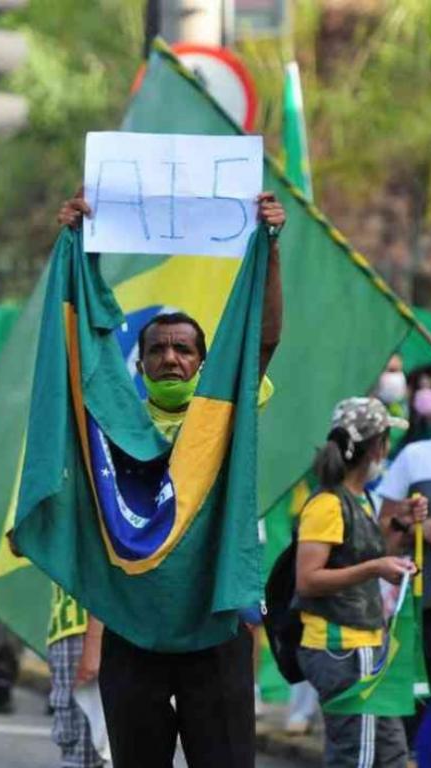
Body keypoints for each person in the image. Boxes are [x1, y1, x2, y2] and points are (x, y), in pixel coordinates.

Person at [58, 187, 286, 767]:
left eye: (183, 348)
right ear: (141, 361)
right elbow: (78, 341)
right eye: (157, 348)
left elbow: (262, 340)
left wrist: (271, 246)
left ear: (203, 361)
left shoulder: (224, 414)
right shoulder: (117, 424)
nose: (169, 357)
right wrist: (78, 244)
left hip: (216, 623)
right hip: (136, 629)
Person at [295, 397, 425, 767]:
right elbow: (307, 580)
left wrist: (402, 525)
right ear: (377, 447)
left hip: (368, 646)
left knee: (390, 756)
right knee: (358, 758)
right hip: (343, 649)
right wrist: (374, 569)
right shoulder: (327, 504)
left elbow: (366, 551)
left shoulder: (359, 497)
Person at [378, 382, 431, 768]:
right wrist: (419, 531)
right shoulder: (417, 456)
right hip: (422, 609)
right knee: (413, 712)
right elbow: (380, 530)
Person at [46, 584, 105, 768]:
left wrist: (94, 642)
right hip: (70, 627)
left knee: (84, 750)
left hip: (81, 631)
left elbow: (104, 570)